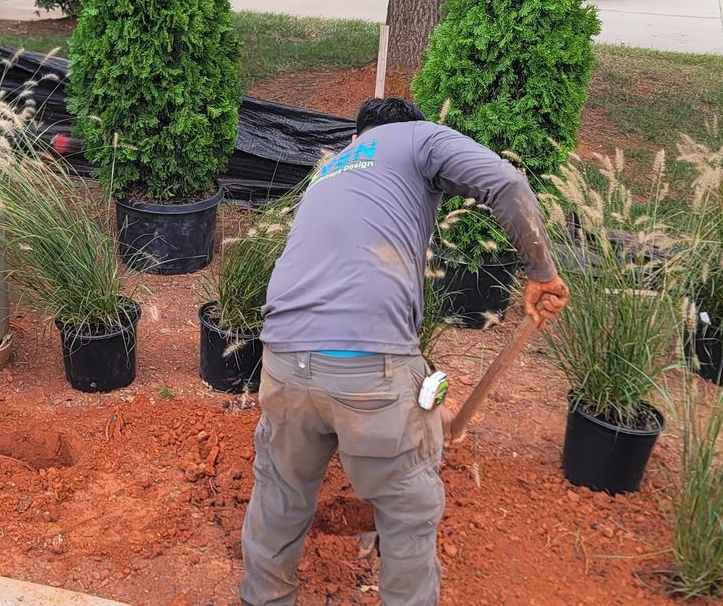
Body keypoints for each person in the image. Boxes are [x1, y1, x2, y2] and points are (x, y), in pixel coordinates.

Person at [239, 98, 571, 606]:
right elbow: (507, 183)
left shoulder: (330, 168)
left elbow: (359, 311)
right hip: (367, 373)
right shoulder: (419, 136)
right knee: (407, 509)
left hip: (283, 361)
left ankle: (262, 598)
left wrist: (429, 408)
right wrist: (541, 272)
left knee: (280, 491)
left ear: (358, 135)